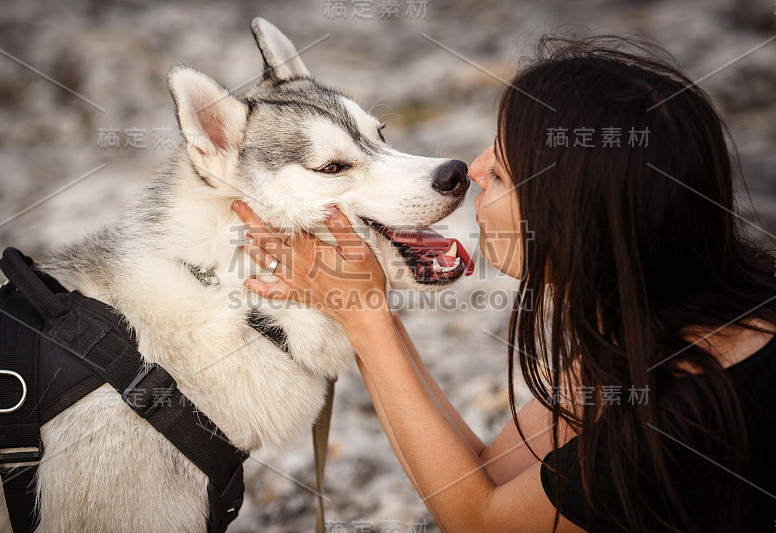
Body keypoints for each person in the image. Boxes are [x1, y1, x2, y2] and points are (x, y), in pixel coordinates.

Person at [232, 35, 776, 532]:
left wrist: (364, 319)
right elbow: (490, 474)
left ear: (570, 219)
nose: (474, 168)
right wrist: (366, 306)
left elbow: (481, 522)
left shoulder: (676, 418)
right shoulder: (634, 328)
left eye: (506, 171)